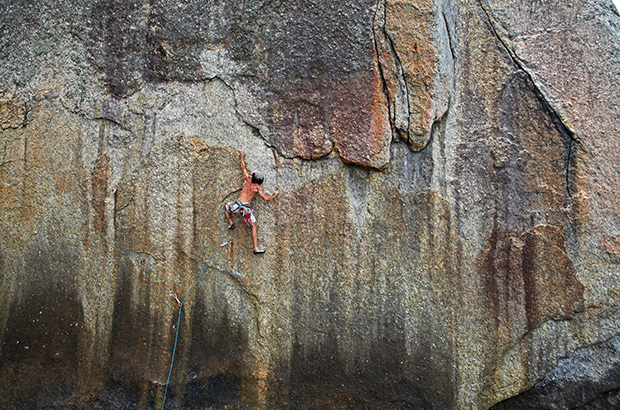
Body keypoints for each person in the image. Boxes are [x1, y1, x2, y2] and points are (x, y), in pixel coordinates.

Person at [224, 151, 278, 254]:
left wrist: (242, 157)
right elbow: (265, 198)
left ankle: (231, 222)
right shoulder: (257, 187)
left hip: (236, 206)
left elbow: (243, 168)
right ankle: (255, 248)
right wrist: (273, 196)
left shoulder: (247, 180)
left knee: (226, 206)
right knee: (253, 226)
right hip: (245, 210)